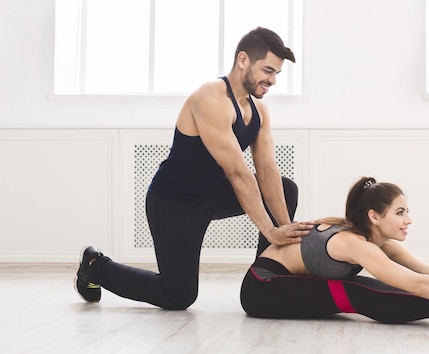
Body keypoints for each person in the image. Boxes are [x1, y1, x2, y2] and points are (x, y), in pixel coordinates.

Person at [74, 27, 313, 310]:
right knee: (177, 297)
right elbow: (239, 174)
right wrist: (272, 232)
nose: (272, 81)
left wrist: (284, 229)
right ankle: (95, 266)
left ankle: (265, 282)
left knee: (286, 188)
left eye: (277, 74)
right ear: (243, 60)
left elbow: (267, 170)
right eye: (268, 71)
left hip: (210, 194)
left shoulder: (258, 111)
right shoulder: (210, 99)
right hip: (173, 203)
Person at [240, 177, 429, 326]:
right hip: (263, 286)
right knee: (356, 289)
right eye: (400, 212)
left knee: (375, 284)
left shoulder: (375, 241)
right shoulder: (352, 242)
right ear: (375, 216)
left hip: (283, 284)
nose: (408, 219)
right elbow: (414, 285)